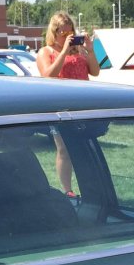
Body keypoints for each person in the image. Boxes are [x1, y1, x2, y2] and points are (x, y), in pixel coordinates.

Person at [36, 11, 100, 195]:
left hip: (84, 103)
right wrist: (63, 51)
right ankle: (67, 190)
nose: (67, 37)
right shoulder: (45, 52)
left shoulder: (78, 50)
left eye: (69, 33)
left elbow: (95, 72)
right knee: (64, 148)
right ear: (54, 33)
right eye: (63, 34)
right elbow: (48, 75)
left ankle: (92, 190)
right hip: (60, 105)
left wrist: (90, 50)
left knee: (86, 147)